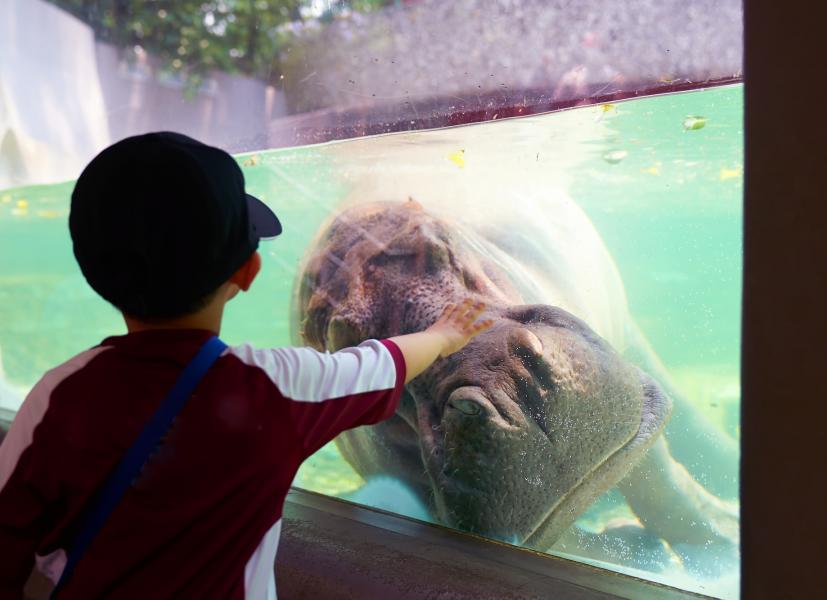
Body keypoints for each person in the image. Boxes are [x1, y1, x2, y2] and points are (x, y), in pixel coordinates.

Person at [0, 132, 492, 599]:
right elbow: (380, 365)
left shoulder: (55, 397)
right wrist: (443, 336)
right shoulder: (278, 389)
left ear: (94, 273)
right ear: (248, 272)